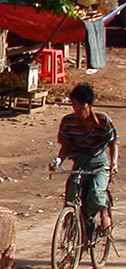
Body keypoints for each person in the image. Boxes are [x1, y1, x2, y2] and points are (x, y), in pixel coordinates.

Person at [49, 83, 119, 234]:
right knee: (71, 192)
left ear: (89, 105)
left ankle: (104, 213)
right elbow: (65, 146)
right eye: (74, 104)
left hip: (99, 163)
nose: (76, 108)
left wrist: (114, 163)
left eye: (79, 104)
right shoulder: (68, 122)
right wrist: (58, 161)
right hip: (79, 162)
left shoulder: (103, 120)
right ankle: (72, 228)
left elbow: (113, 143)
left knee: (95, 193)